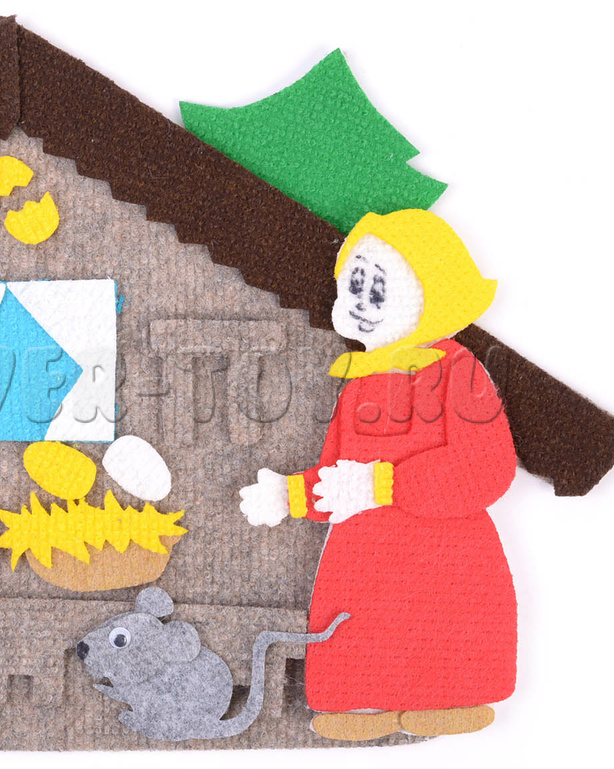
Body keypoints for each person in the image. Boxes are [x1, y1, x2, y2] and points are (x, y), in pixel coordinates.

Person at [239, 209, 517, 741]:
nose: (361, 303)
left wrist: (383, 485)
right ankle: (356, 702)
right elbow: (336, 475)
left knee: (441, 615)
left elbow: (486, 466)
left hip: (443, 539)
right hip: (364, 542)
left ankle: (449, 698)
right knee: (360, 614)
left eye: (379, 289)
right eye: (354, 285)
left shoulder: (457, 371)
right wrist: (290, 494)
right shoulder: (358, 386)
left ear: (432, 295)